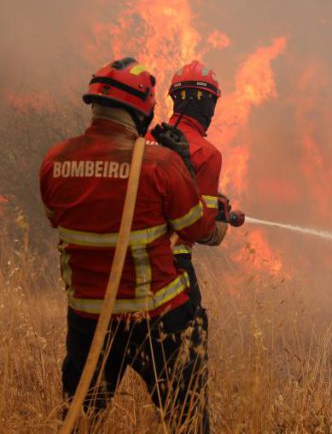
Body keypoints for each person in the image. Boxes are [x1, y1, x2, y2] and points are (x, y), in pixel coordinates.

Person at [39, 57, 215, 432]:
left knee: (82, 419)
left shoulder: (54, 161)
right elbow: (199, 229)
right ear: (142, 112)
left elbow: (58, 218)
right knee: (186, 419)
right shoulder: (160, 165)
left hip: (88, 320)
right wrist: (185, 166)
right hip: (158, 319)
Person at [150, 60, 242, 312]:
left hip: (131, 261)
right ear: (208, 103)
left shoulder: (145, 138)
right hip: (173, 262)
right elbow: (200, 231)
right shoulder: (207, 154)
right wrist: (220, 218)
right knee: (192, 332)